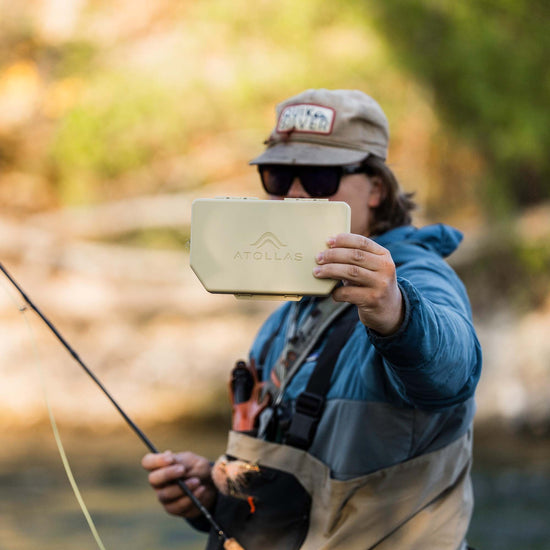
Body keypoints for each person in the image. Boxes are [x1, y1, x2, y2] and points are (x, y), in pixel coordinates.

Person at [142, 89, 482, 550]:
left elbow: (451, 374)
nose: (295, 193)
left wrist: (396, 312)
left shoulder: (417, 278)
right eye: (278, 175)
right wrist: (214, 490)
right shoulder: (288, 311)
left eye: (320, 177)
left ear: (377, 188)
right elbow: (292, 488)